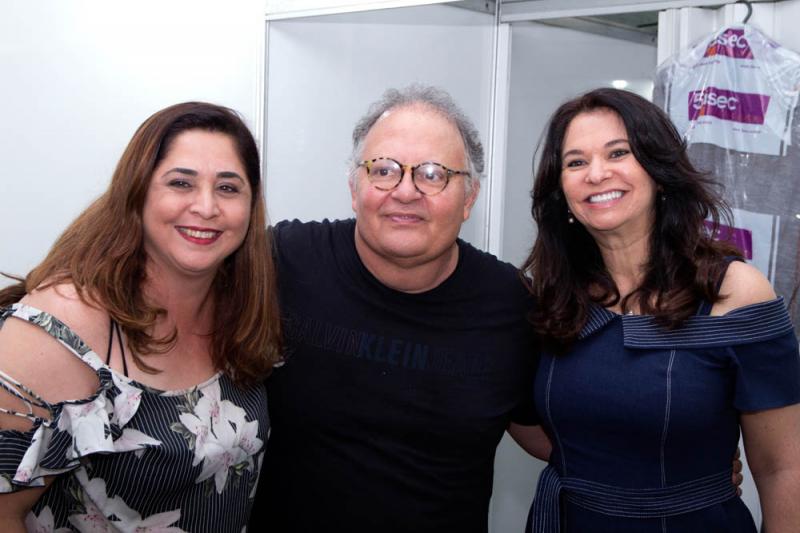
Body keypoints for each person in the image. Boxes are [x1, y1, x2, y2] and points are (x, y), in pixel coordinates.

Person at [250, 85, 540, 532]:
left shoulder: (512, 305)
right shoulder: (282, 262)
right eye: (383, 170)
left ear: (469, 197)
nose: (406, 191)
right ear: (354, 188)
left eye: (433, 174)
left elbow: (557, 437)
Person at [518, 88, 800, 532]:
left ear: (659, 172)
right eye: (575, 162)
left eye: (618, 153)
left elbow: (784, 467)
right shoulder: (553, 296)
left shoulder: (736, 293)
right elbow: (520, 415)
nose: (597, 173)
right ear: (561, 191)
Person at [0, 102, 282, 532]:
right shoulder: (61, 326)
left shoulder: (242, 310)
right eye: (181, 182)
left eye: (228, 188)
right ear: (138, 192)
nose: (206, 206)